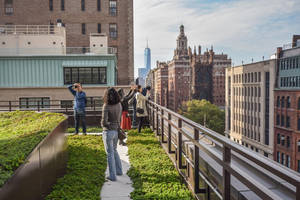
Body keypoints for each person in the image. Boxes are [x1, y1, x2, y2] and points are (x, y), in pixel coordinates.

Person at [101, 87, 123, 181]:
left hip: (108, 132)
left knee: (109, 154)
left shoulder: (106, 106)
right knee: (114, 150)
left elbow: (104, 122)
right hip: (116, 131)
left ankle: (112, 176)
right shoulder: (119, 104)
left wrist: (103, 124)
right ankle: (119, 171)